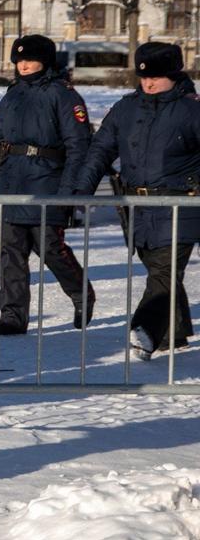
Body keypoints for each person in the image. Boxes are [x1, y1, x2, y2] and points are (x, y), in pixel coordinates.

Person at [75, 42, 200, 359]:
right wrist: (81, 190)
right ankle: (175, 332)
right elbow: (101, 149)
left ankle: (145, 330)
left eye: (156, 77)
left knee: (164, 271)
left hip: (180, 204)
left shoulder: (191, 110)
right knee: (158, 268)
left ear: (174, 74)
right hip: (137, 207)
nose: (148, 83)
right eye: (144, 77)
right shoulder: (126, 109)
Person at [0, 34, 96, 335]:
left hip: (47, 182)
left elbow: (78, 146)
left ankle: (81, 293)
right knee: (11, 252)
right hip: (10, 181)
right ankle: (12, 316)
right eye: (19, 60)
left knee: (51, 247)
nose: (24, 65)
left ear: (46, 61)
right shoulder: (12, 95)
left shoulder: (63, 95)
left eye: (30, 60)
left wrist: (68, 194)